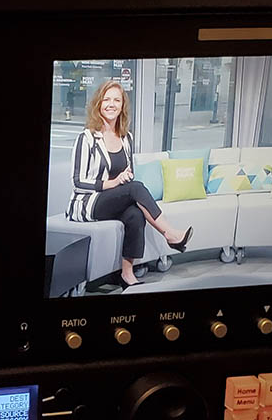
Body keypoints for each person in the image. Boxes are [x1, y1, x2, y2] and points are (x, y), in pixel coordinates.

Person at [66, 79, 194, 289]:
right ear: (98, 104)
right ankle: (170, 234)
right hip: (87, 203)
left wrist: (124, 179)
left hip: (113, 200)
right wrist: (114, 182)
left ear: (122, 106)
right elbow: (77, 182)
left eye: (117, 100)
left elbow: (129, 174)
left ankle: (127, 273)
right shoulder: (87, 137)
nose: (111, 104)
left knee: (135, 214)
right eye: (106, 99)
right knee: (136, 189)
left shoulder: (126, 138)